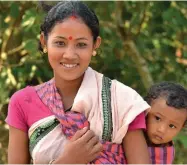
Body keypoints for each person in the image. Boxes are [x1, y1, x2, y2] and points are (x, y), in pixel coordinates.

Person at [6, 1, 150, 164]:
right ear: (44, 42)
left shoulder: (123, 102)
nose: (69, 54)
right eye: (60, 43)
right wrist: (68, 161)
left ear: (95, 45)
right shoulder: (22, 103)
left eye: (81, 45)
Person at [144, 82, 187, 164]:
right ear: (146, 110)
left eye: (172, 126)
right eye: (157, 118)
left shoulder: (165, 154)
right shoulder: (128, 128)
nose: (161, 130)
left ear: (181, 128)